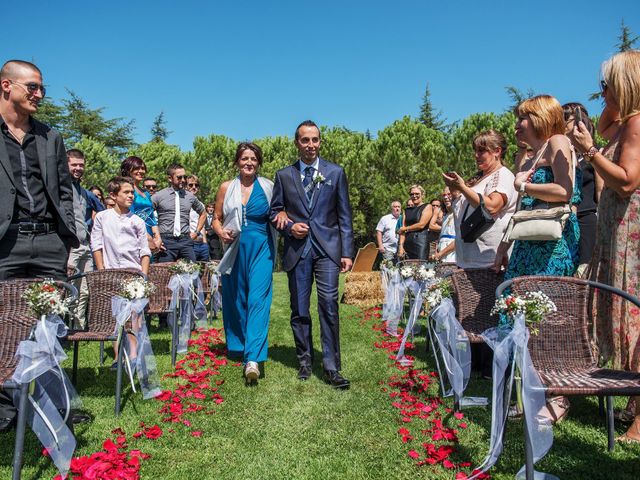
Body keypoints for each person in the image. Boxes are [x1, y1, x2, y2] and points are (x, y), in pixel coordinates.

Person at [0, 59, 78, 431]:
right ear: (6, 86)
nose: (39, 94)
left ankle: (52, 402)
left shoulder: (50, 137)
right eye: (32, 87)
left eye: (42, 88)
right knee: (4, 324)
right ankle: (6, 407)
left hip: (48, 240)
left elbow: (64, 191)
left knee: (49, 324)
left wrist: (64, 240)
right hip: (6, 241)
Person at [572, 50, 640, 443]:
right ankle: (633, 398)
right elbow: (603, 125)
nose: (602, 92)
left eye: (608, 83)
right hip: (617, 226)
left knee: (632, 310)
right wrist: (606, 107)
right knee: (621, 308)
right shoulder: (623, 122)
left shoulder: (636, 123)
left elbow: (628, 180)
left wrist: (590, 151)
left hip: (631, 226)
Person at [271, 120, 354, 389]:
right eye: (305, 140)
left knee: (329, 304)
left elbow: (344, 216)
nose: (311, 145)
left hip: (328, 250)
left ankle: (331, 367)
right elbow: (274, 212)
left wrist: (347, 252)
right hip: (298, 251)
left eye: (315, 140)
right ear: (297, 143)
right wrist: (289, 225)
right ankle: (305, 360)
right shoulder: (284, 175)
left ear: (320, 142)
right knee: (299, 308)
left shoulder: (336, 172)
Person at [495, 97, 580, 279]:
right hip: (525, 242)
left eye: (522, 118)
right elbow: (521, 209)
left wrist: (524, 186)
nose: (516, 124)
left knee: (544, 302)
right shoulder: (529, 163)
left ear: (540, 117)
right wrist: (503, 247)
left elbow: (564, 191)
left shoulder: (557, 141)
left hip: (552, 244)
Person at [212, 143, 276, 383]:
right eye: (244, 158)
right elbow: (215, 219)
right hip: (235, 248)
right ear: (237, 162)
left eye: (253, 159)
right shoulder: (226, 188)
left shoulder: (269, 187)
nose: (249, 162)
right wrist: (220, 232)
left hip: (262, 247)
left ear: (258, 162)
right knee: (236, 299)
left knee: (258, 299)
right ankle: (239, 345)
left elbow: (280, 212)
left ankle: (253, 359)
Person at [91, 176, 151, 369]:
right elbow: (97, 245)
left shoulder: (137, 221)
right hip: (110, 273)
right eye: (126, 192)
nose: (131, 196)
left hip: (133, 274)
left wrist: (143, 277)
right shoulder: (102, 218)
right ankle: (118, 357)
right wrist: (101, 272)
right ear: (113, 195)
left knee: (135, 318)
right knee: (116, 318)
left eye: (132, 192)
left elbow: (144, 251)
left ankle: (133, 356)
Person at [443, 130, 516, 269]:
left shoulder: (503, 175)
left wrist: (463, 188)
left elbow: (492, 206)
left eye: (482, 151)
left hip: (490, 264)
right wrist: (455, 190)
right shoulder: (478, 179)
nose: (476, 155)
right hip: (469, 262)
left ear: (497, 151)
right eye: (475, 151)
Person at [562, 103, 603, 276]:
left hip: (585, 220)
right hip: (563, 220)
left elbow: (600, 193)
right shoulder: (560, 157)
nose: (562, 124)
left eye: (566, 119)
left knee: (583, 272)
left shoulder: (596, 153)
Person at [66, 149, 105, 328]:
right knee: (68, 288)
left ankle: (78, 328)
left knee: (84, 290)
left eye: (81, 165)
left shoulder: (83, 191)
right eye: (74, 164)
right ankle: (63, 329)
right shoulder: (62, 187)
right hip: (70, 246)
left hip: (85, 245)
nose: (78, 168)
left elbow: (102, 209)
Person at [152, 163, 206, 262]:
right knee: (165, 275)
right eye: (179, 177)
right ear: (170, 178)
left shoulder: (190, 196)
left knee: (192, 273)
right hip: (166, 241)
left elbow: (203, 213)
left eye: (184, 177)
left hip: (186, 241)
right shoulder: (159, 196)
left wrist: (196, 232)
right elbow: (147, 215)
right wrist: (155, 238)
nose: (183, 180)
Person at [121, 156, 163, 257]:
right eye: (136, 168)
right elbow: (129, 215)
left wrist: (157, 237)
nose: (141, 171)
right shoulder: (127, 190)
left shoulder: (146, 193)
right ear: (128, 170)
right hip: (133, 235)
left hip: (150, 237)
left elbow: (151, 216)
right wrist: (148, 238)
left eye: (143, 168)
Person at [397, 185, 434, 260]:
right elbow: (402, 231)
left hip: (420, 243)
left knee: (420, 267)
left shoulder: (427, 206)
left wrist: (406, 228)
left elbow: (421, 225)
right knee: (406, 268)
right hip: (407, 243)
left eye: (417, 194)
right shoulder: (406, 210)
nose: (414, 196)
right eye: (412, 194)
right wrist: (400, 246)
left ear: (422, 194)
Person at [430, 187, 458, 263]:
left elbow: (458, 240)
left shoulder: (459, 214)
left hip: (453, 255)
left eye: (449, 194)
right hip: (441, 254)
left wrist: (440, 254)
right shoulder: (446, 216)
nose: (446, 197)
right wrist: (437, 252)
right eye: (444, 195)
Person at [186, 174, 210, 262]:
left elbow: (202, 226)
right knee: (189, 272)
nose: (194, 187)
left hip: (201, 244)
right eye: (191, 185)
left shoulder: (201, 204)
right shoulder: (182, 203)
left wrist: (205, 243)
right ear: (185, 186)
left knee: (204, 273)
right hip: (189, 243)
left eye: (196, 185)